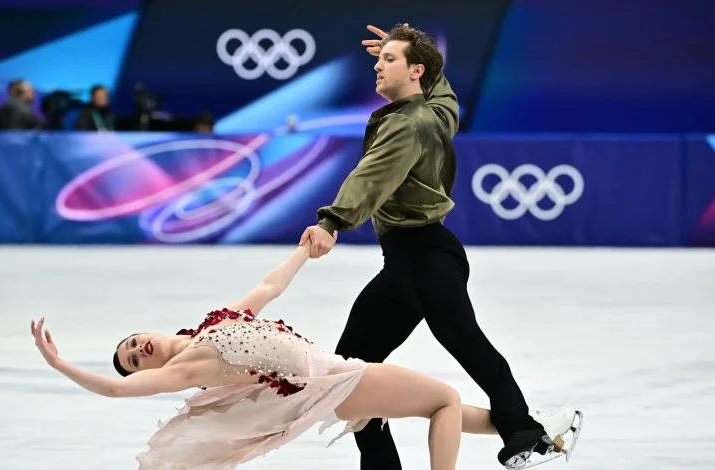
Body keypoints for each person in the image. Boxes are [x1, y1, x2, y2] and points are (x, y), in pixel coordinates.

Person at [299, 24, 581, 469]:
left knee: (454, 344)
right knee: (350, 375)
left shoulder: (407, 125)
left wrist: (333, 220)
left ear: (415, 71)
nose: (377, 64)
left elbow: (371, 176)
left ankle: (529, 433)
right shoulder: (433, 113)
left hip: (424, 256)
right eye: (380, 57)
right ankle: (522, 430)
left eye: (389, 59)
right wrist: (416, 52)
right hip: (410, 261)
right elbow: (444, 97)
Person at [30, 240, 575, 469]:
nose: (135, 352)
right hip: (331, 383)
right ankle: (523, 431)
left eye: (131, 343)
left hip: (331, 379)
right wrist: (62, 366)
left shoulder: (211, 325)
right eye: (134, 358)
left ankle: (532, 432)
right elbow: (118, 388)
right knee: (443, 400)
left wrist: (304, 249)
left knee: (433, 407)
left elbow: (267, 288)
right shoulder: (186, 366)